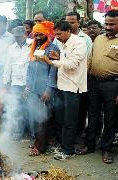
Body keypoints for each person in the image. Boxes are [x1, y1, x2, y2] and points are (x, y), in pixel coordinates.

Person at [76, 10, 118, 164]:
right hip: (93, 82)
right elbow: (90, 59)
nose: (107, 27)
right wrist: (85, 78)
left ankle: (107, 149)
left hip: (112, 84)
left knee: (110, 117)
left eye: (112, 24)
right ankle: (90, 145)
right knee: (92, 115)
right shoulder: (98, 38)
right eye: (106, 23)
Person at [42, 20, 87, 161]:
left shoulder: (79, 43)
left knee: (69, 121)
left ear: (68, 31)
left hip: (73, 87)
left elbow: (72, 64)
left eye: (59, 34)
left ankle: (68, 151)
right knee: (60, 118)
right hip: (61, 86)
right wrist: (58, 57)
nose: (57, 37)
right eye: (55, 34)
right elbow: (65, 59)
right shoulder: (61, 42)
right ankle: (63, 146)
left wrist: (52, 62)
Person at [25, 21, 59, 156]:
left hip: (44, 89)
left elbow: (53, 70)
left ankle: (41, 147)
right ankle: (38, 142)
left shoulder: (52, 49)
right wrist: (27, 86)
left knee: (42, 118)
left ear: (46, 34)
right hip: (33, 88)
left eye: (40, 35)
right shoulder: (34, 47)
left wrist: (48, 89)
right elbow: (30, 68)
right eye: (36, 35)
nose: (38, 38)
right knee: (35, 116)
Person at [2, 26, 30, 139]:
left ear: (26, 35)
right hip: (16, 83)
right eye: (16, 37)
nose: (18, 39)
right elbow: (7, 66)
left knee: (29, 108)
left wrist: (29, 85)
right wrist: (5, 82)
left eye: (20, 36)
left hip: (28, 83)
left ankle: (30, 132)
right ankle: (18, 132)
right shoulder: (11, 48)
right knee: (17, 107)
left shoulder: (31, 46)